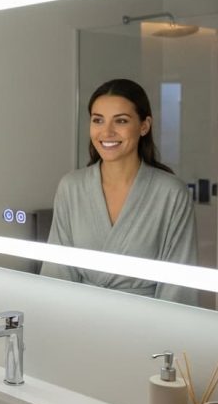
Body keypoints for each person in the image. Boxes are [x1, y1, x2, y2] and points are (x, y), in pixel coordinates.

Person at [40, 78, 198, 304]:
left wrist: (166, 336)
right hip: (79, 319)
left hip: (145, 326)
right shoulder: (72, 187)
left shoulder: (171, 193)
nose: (107, 132)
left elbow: (178, 285)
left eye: (121, 121)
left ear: (144, 126)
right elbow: (57, 272)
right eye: (98, 120)